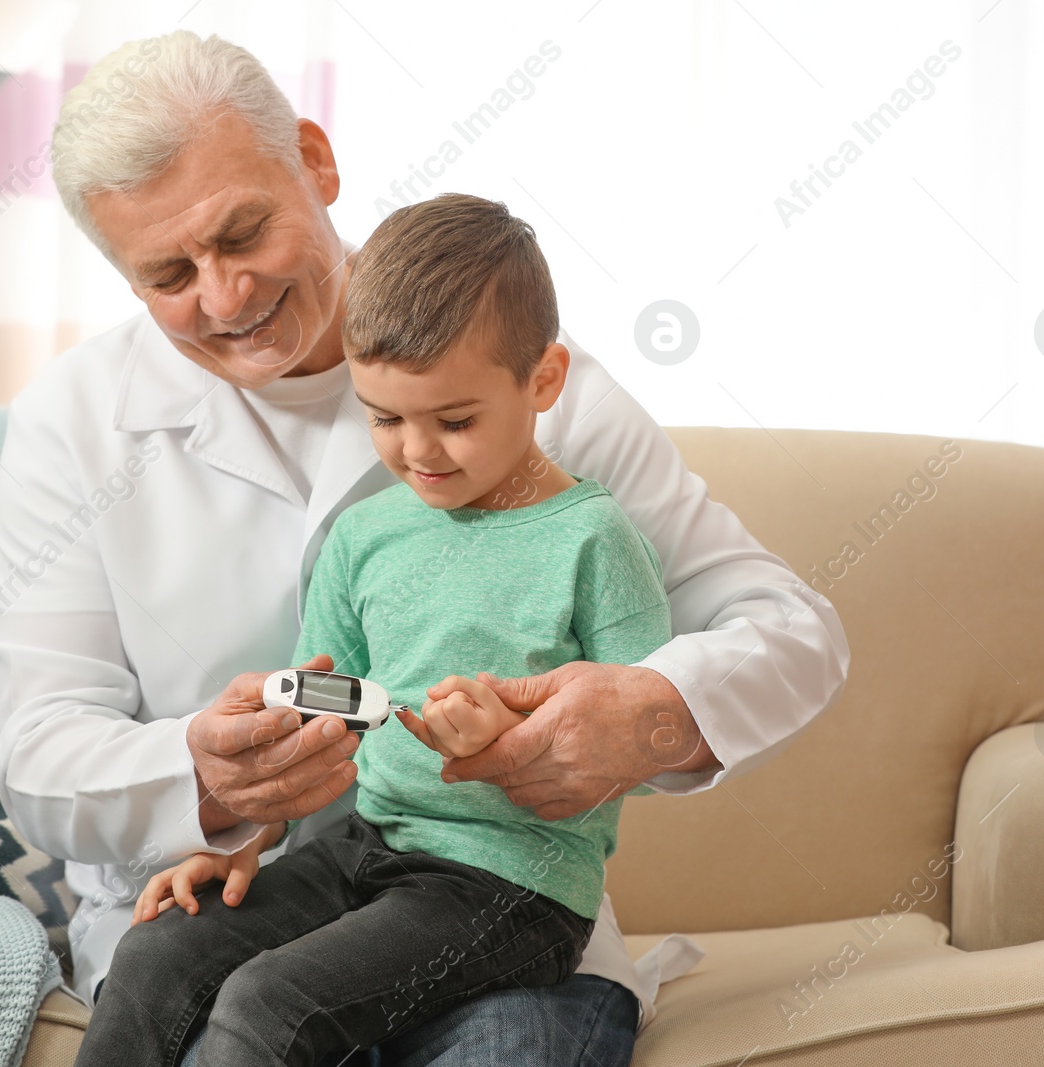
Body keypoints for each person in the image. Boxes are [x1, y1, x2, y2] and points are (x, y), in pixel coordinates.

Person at [0, 29, 850, 1067]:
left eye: (242, 232)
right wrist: (207, 783)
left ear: (315, 160)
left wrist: (650, 713)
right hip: (258, 887)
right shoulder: (71, 426)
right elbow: (37, 754)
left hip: (488, 895)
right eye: (169, 273)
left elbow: (791, 629)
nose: (223, 298)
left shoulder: (533, 390)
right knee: (208, 995)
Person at [74, 193, 675, 1067]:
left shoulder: (593, 540)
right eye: (385, 417)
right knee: (158, 953)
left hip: (513, 884)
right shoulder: (365, 536)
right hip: (371, 849)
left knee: (266, 1002)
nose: (418, 451)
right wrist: (247, 839)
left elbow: (641, 745)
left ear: (544, 379)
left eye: (455, 420)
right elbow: (318, 737)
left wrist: (516, 736)